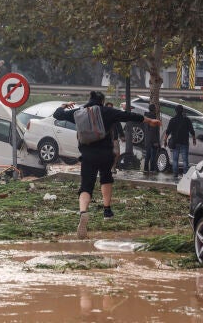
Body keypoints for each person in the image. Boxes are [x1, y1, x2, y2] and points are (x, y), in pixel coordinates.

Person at [53, 91, 161, 239]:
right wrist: (149, 121)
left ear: (89, 100)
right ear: (102, 101)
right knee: (106, 177)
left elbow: (57, 114)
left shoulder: (78, 112)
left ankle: (83, 212)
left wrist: (64, 105)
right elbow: (128, 116)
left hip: (87, 155)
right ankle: (107, 209)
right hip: (105, 154)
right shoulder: (107, 111)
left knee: (86, 186)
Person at [163, 105, 196, 180]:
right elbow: (191, 130)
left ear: (175, 111)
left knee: (175, 159)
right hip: (184, 142)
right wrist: (194, 139)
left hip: (175, 142)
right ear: (182, 111)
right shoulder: (187, 120)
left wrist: (165, 140)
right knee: (185, 160)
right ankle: (185, 175)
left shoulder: (172, 120)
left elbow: (168, 131)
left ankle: (175, 175)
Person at [104, 102, 125, 174]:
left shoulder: (114, 116)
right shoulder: (103, 116)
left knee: (117, 153)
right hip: (106, 139)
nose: (110, 109)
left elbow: (119, 126)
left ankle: (113, 166)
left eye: (111, 107)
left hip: (115, 138)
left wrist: (122, 136)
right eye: (109, 107)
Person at [143, 103, 161, 173]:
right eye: (156, 108)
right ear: (154, 109)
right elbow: (154, 130)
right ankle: (152, 169)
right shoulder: (153, 117)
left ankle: (146, 168)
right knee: (153, 155)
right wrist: (156, 141)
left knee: (148, 155)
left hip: (147, 139)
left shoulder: (145, 117)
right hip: (152, 140)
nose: (156, 109)